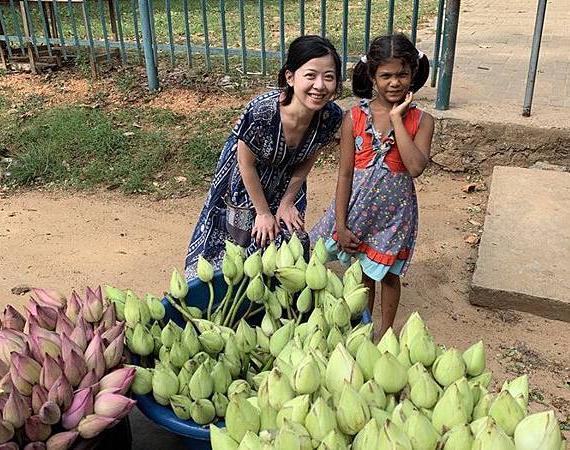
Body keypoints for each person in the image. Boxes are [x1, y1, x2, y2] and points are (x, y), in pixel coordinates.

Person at [185, 35, 344, 279]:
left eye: (329, 77)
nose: (320, 85)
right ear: (290, 78)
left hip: (289, 179)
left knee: (289, 238)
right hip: (246, 176)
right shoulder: (262, 112)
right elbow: (245, 164)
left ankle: (275, 296)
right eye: (310, 75)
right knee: (237, 240)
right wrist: (262, 212)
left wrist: (287, 202)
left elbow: (307, 159)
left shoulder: (331, 117)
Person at [310, 33, 434, 339]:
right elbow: (345, 175)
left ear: (413, 74)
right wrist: (340, 223)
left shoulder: (423, 120)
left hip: (394, 216)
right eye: (386, 75)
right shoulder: (354, 117)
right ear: (372, 76)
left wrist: (396, 120)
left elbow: (416, 167)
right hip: (357, 210)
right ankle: (363, 330)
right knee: (360, 272)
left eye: (402, 74)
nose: (395, 83)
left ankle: (386, 332)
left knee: (388, 274)